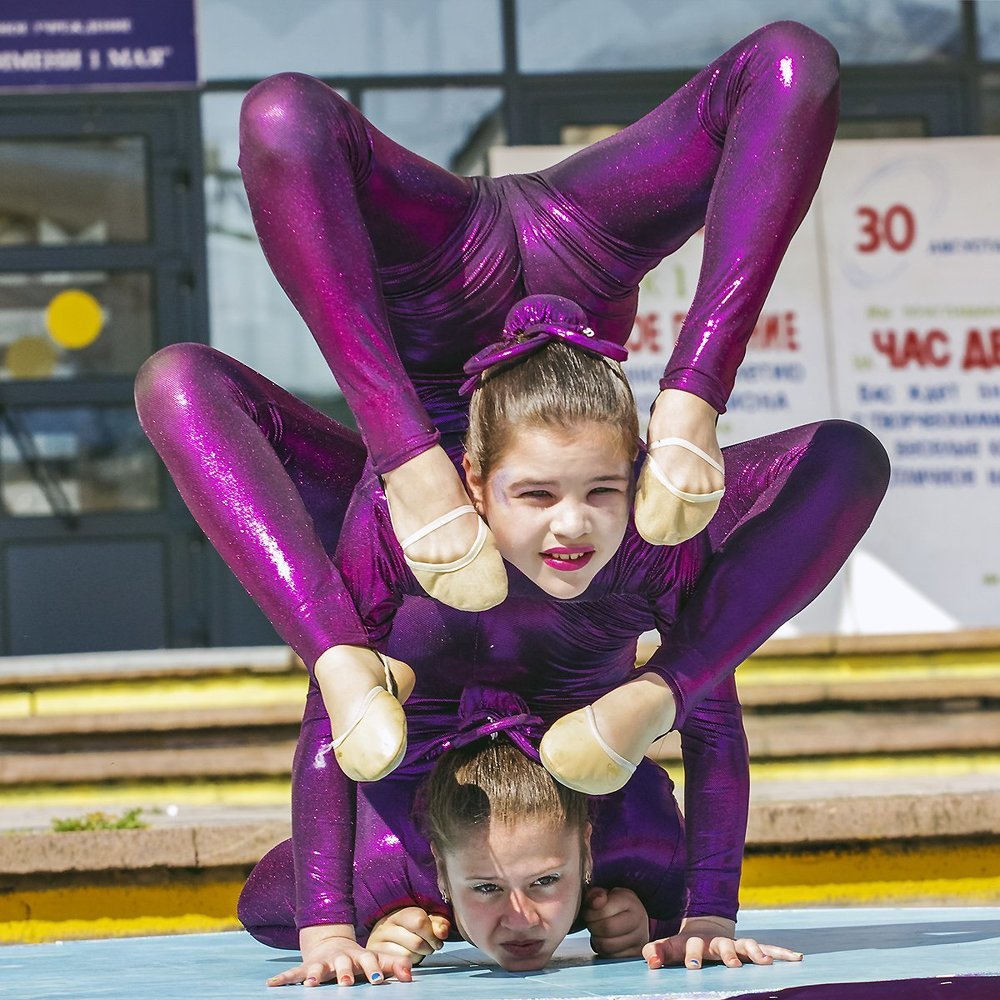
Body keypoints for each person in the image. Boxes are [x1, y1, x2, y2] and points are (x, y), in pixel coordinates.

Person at [135, 297, 889, 988]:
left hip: (586, 768)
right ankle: (335, 649)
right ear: (470, 483)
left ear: (636, 480)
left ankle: (659, 689)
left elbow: (716, 726)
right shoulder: (411, 530)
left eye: (603, 491)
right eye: (534, 496)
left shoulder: (652, 543)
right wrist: (334, 927)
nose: (571, 526)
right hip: (419, 782)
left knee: (851, 454)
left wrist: (699, 920)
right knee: (177, 378)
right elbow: (317, 758)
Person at [236, 20, 841, 613]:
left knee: (282, 115)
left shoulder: (421, 542)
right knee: (793, 58)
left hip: (444, 273)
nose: (569, 530)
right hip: (578, 254)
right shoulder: (625, 556)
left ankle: (418, 460)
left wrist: (405, 455)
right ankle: (415, 461)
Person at [240, 688, 803, 984]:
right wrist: (362, 925)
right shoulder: (387, 861)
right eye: (484, 888)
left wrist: (656, 923)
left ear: (588, 850)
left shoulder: (641, 844)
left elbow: (695, 914)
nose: (521, 919)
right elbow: (257, 908)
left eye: (546, 881)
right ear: (438, 868)